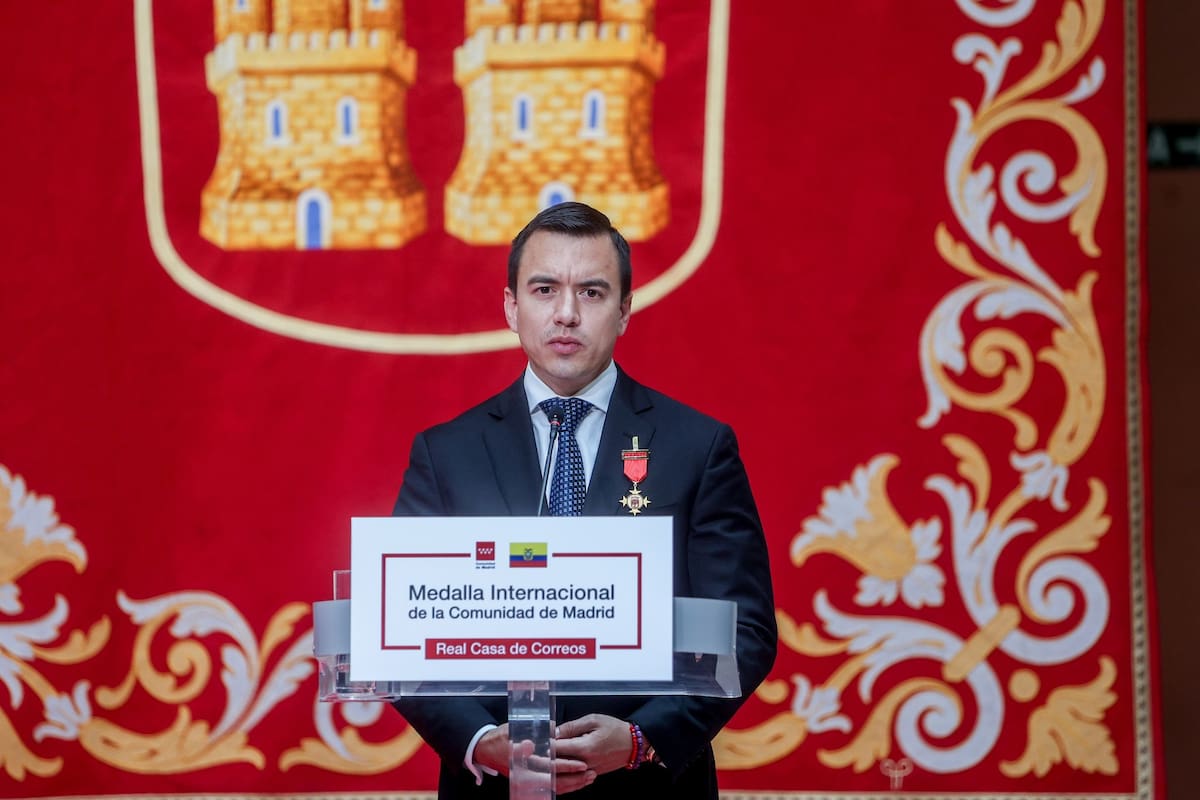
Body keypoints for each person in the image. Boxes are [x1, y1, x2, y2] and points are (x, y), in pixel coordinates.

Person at [392, 202, 776, 798]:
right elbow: (402, 631)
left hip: (647, 785)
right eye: (544, 289)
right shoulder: (446, 453)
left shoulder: (698, 447)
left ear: (624, 311)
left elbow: (745, 631)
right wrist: (478, 739)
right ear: (512, 307)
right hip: (494, 788)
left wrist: (641, 737)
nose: (567, 313)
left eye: (592, 293)